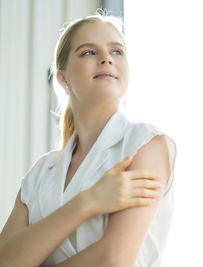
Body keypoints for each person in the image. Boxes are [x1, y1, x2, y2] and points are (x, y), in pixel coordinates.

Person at [0, 12, 177, 267]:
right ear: (63, 78)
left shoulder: (145, 144)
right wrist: (88, 201)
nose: (106, 58)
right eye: (89, 52)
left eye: (117, 51)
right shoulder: (40, 174)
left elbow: (113, 259)